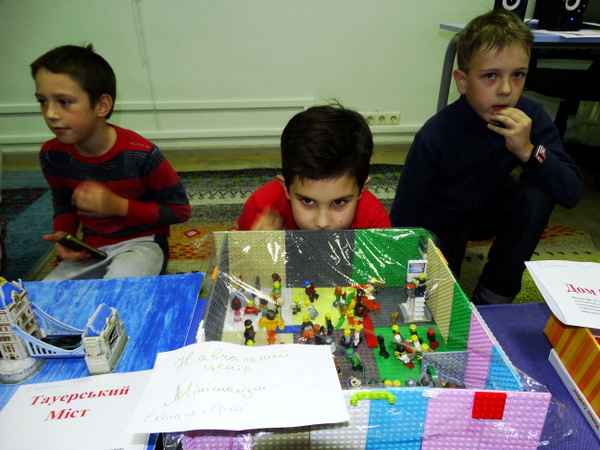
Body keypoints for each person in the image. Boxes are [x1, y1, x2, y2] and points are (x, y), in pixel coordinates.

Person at [389, 10, 584, 305]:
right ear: (463, 81)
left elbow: (571, 191)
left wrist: (528, 151)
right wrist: (406, 262)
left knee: (536, 195)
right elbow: (405, 213)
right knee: (435, 302)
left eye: (517, 75)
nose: (505, 90)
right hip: (442, 222)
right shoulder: (435, 135)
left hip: (489, 210)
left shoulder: (529, 116)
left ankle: (495, 294)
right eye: (490, 76)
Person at [30, 44, 190, 280]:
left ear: (102, 105)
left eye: (64, 101)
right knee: (46, 294)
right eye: (42, 101)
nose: (50, 113)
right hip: (90, 250)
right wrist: (64, 235)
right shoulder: (52, 154)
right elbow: (63, 203)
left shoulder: (141, 154)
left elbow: (179, 210)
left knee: (120, 290)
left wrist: (119, 206)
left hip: (142, 244)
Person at [236, 104, 390, 230]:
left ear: (361, 190)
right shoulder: (261, 208)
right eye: (308, 201)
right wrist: (256, 249)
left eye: (339, 202)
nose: (322, 223)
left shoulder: (374, 222)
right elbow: (232, 254)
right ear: (286, 188)